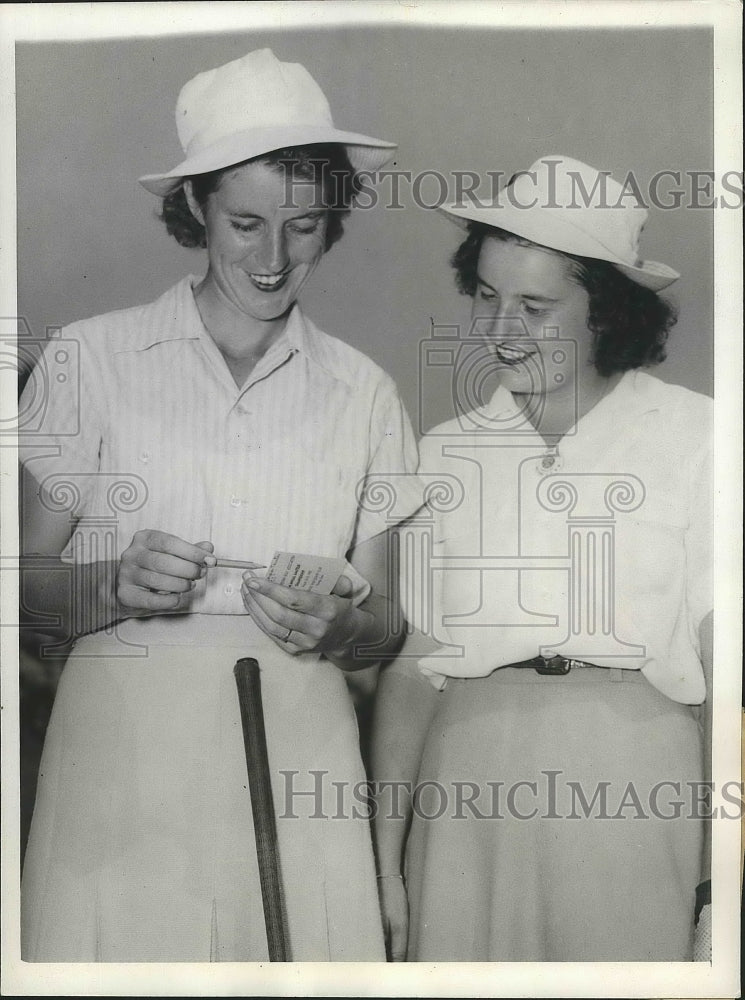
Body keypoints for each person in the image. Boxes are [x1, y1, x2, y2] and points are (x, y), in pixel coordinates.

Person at [19, 48, 420, 962]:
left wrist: (337, 628)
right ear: (196, 204)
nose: (274, 260)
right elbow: (20, 587)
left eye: (305, 227)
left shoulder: (364, 393)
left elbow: (388, 628)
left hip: (303, 762)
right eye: (245, 223)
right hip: (123, 771)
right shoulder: (91, 359)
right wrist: (113, 588)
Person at [372, 156, 713, 962]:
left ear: (606, 312)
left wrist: (723, 876)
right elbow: (413, 668)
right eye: (486, 298)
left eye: (534, 307)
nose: (498, 332)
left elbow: (721, 666)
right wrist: (385, 867)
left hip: (636, 783)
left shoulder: (698, 436)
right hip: (464, 786)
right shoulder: (446, 454)